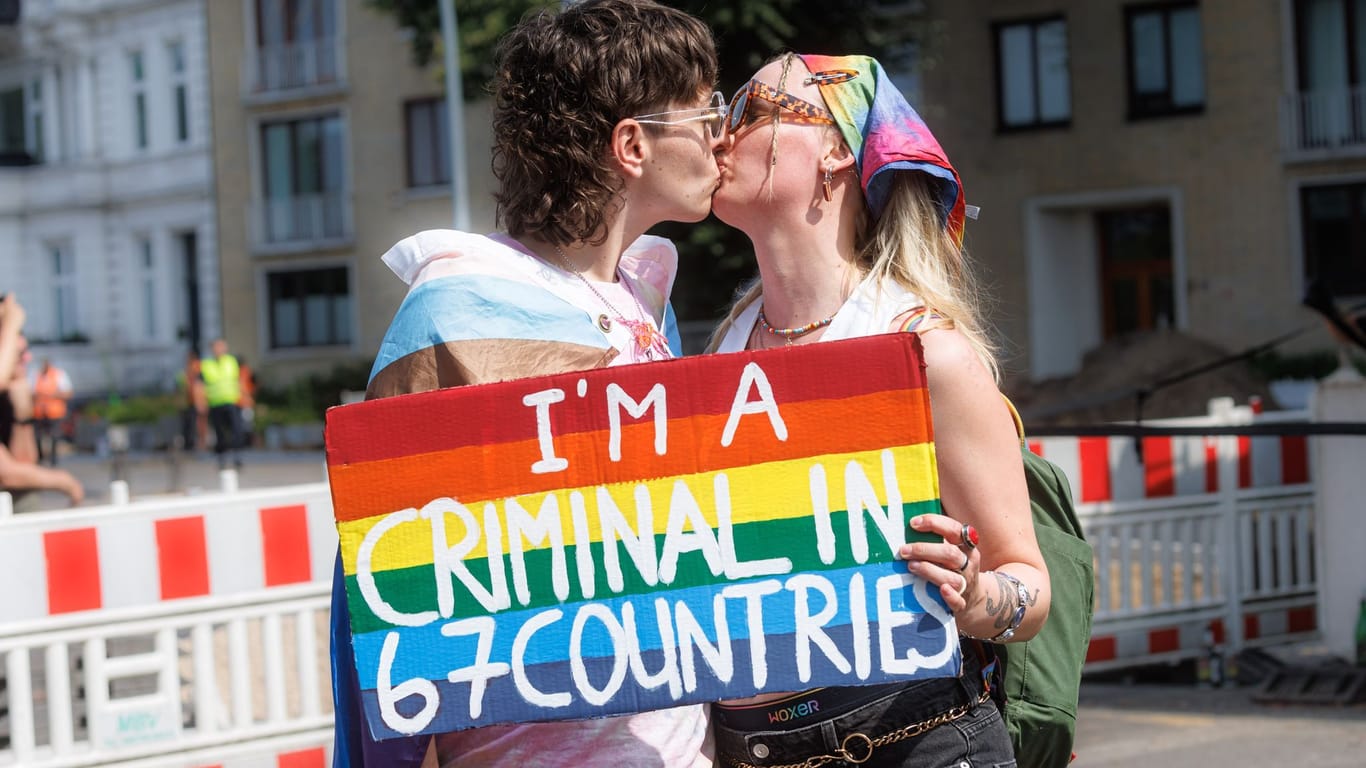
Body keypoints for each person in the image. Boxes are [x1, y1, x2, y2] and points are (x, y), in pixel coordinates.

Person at [328, 1, 724, 766]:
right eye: (703, 112)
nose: (720, 136)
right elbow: (387, 581)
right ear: (633, 144)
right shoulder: (459, 307)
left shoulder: (643, 303)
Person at [706, 53, 1051, 767]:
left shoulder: (925, 352)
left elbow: (1031, 587)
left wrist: (978, 590)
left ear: (833, 152)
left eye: (749, 111)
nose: (719, 129)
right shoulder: (721, 352)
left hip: (915, 739)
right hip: (758, 750)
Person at [0, 294, 84, 505]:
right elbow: (6, 473)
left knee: (28, 499)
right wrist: (65, 481)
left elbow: (24, 464)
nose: (27, 359)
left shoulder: (12, 393)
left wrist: (22, 415)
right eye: (17, 353)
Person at [199, 338, 243, 469]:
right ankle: (221, 459)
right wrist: (201, 401)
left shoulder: (231, 362)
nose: (218, 350)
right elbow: (200, 385)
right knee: (220, 433)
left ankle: (237, 457)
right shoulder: (207, 365)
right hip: (215, 403)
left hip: (231, 401)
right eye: (216, 348)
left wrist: (243, 397)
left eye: (221, 347)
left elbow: (238, 380)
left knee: (236, 430)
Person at [31, 357, 72, 466]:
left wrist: (52, 395)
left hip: (54, 413)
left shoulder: (59, 375)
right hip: (39, 413)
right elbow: (31, 392)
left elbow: (68, 392)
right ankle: (40, 459)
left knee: (54, 436)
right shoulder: (36, 375)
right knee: (37, 437)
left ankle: (53, 460)